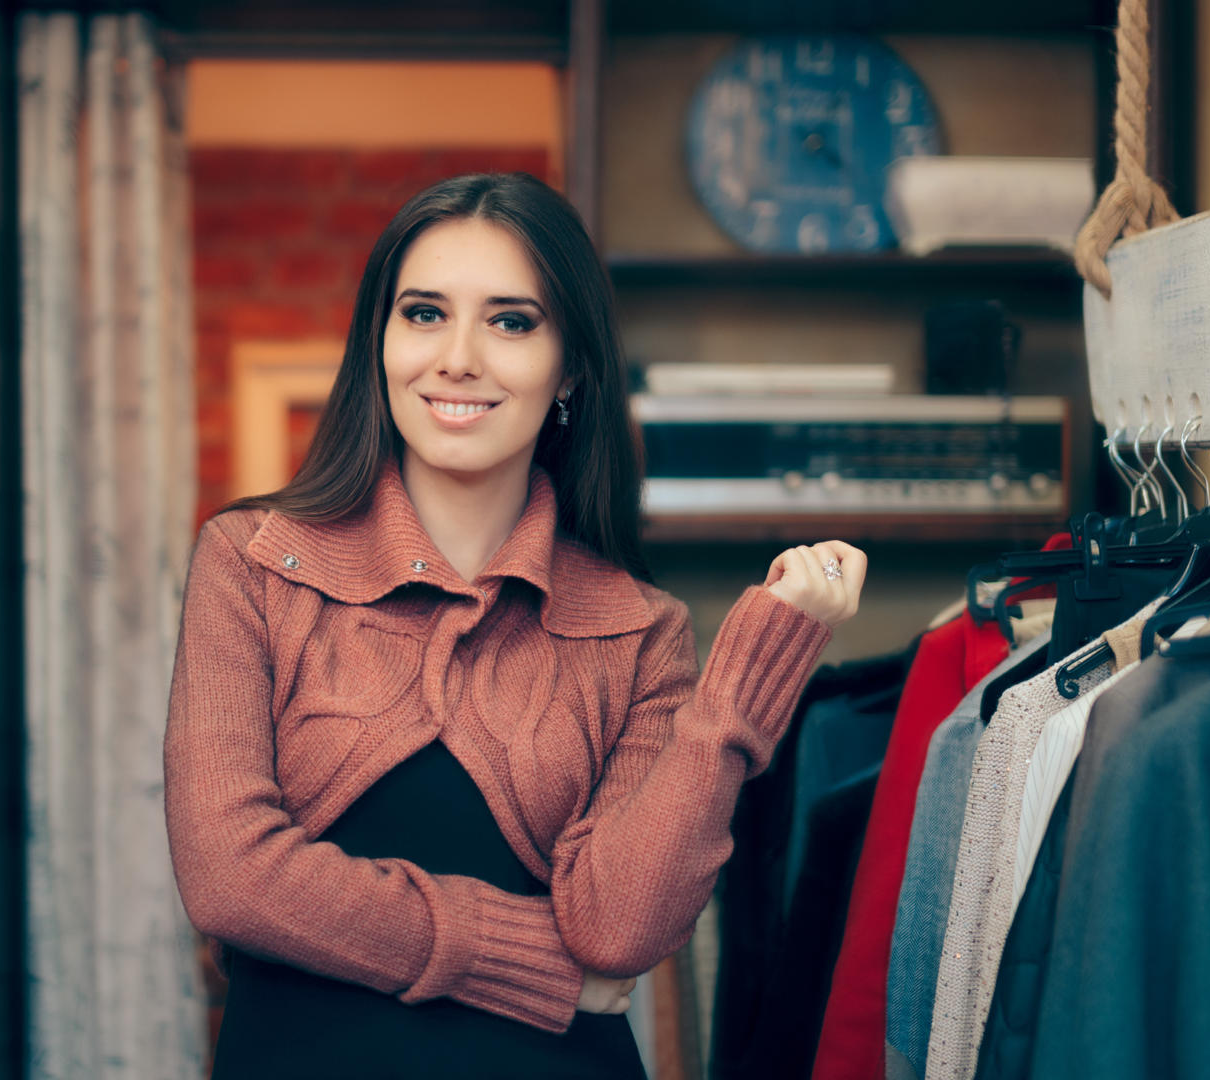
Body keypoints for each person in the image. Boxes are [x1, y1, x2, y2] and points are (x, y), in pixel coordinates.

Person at [164, 172, 866, 1079]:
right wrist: (537, 963)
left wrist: (746, 680)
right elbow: (228, 877)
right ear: (379, 342)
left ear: (569, 363)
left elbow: (618, 932)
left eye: (511, 321)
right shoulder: (253, 564)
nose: (457, 358)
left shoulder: (640, 630)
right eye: (423, 313)